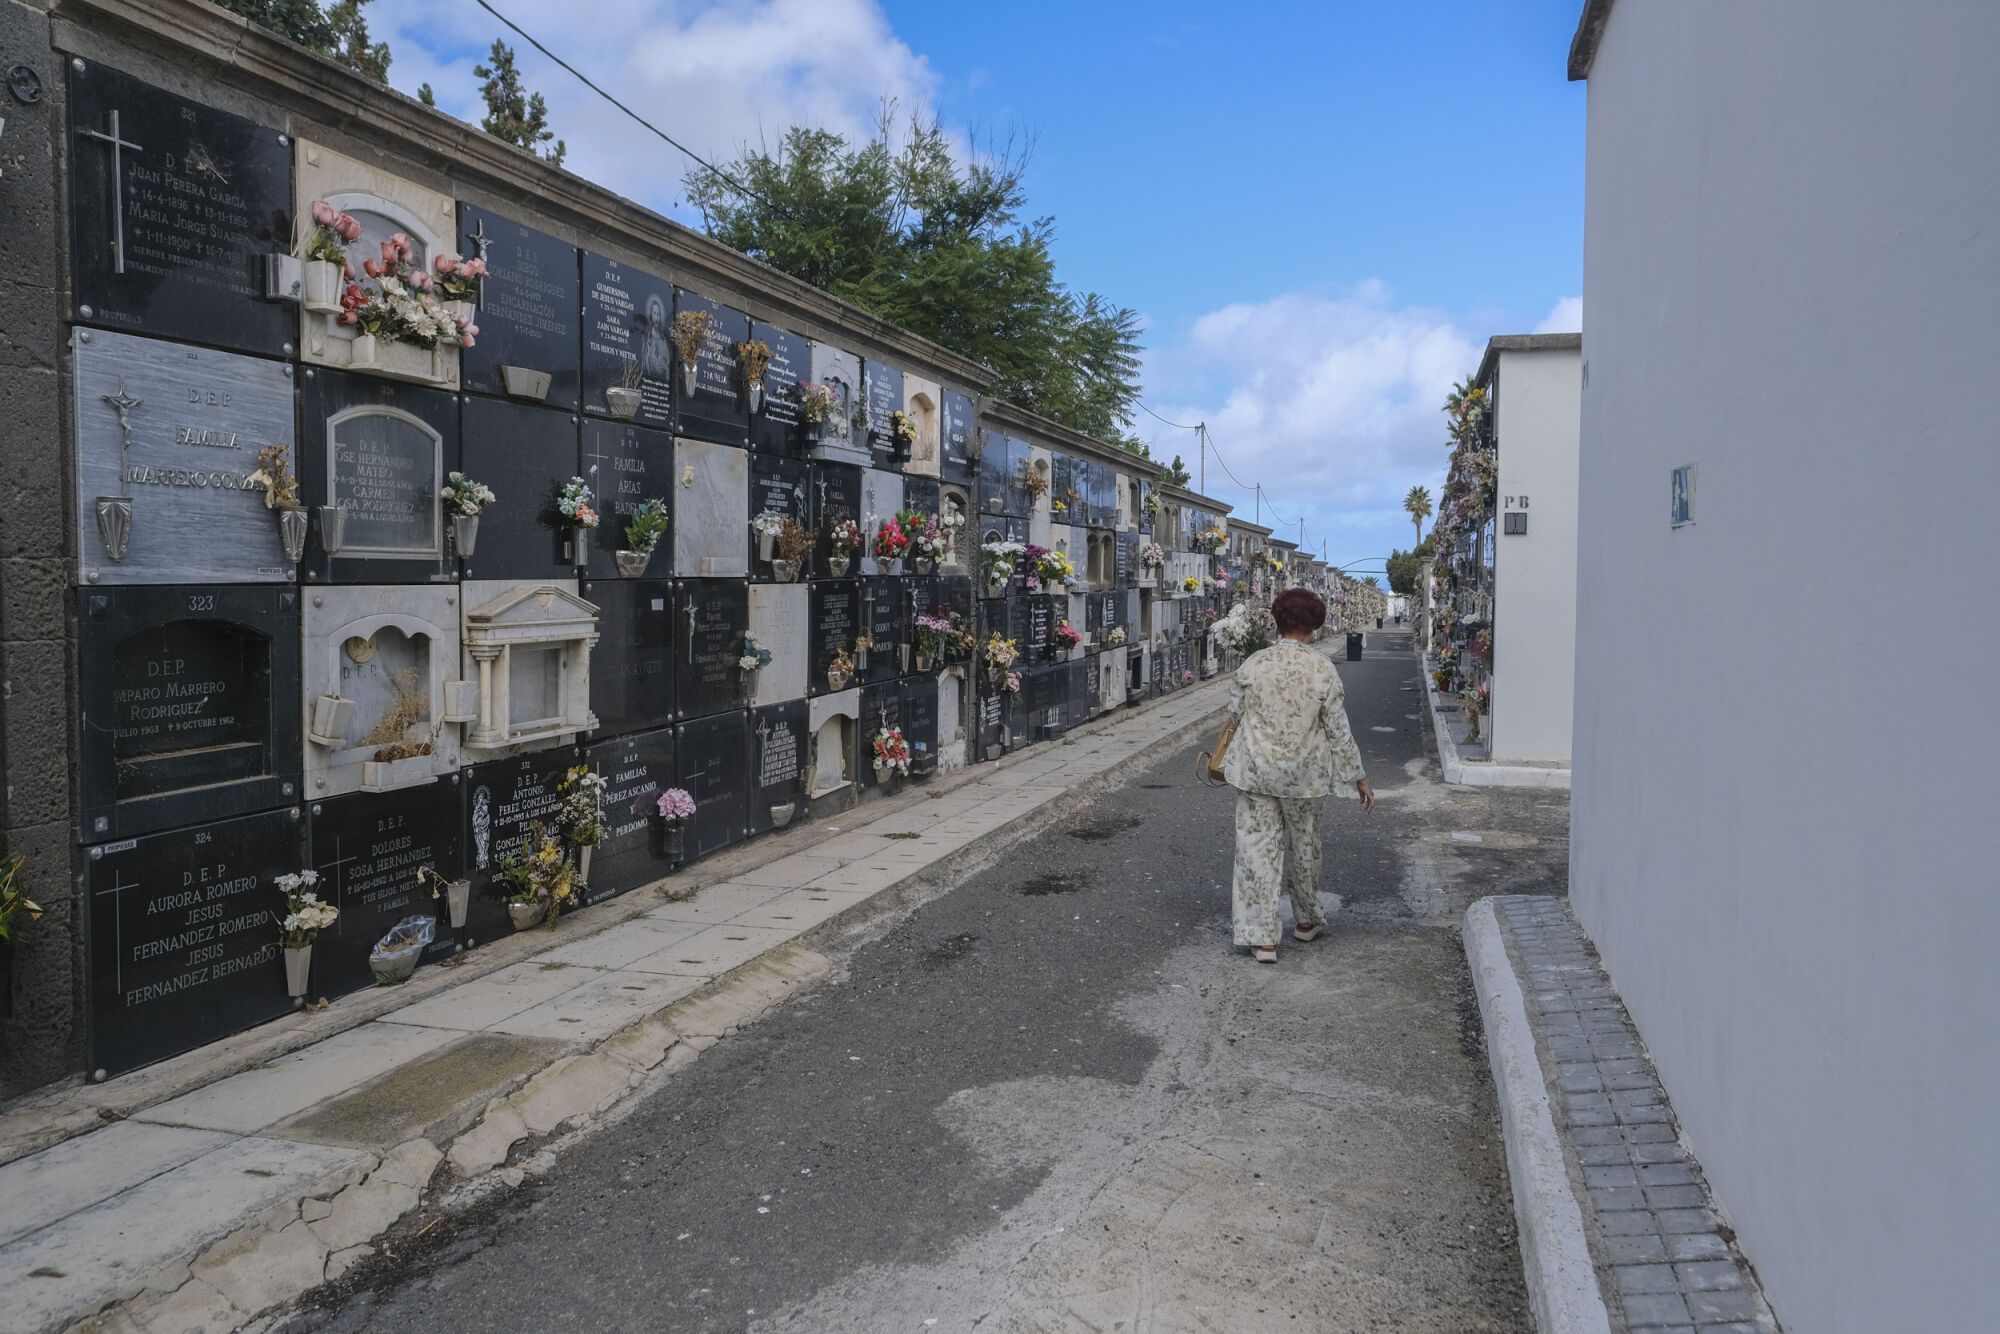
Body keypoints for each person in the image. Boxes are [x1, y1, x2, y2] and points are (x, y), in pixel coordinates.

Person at [1224, 587, 1373, 963]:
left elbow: (1236, 713)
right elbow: (1338, 729)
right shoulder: (1322, 669)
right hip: (1304, 776)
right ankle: (1306, 920)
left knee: (1257, 849)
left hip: (1256, 771)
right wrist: (1358, 776)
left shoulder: (1254, 664)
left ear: (1276, 620)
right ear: (1316, 625)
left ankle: (1262, 939)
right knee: (1304, 846)